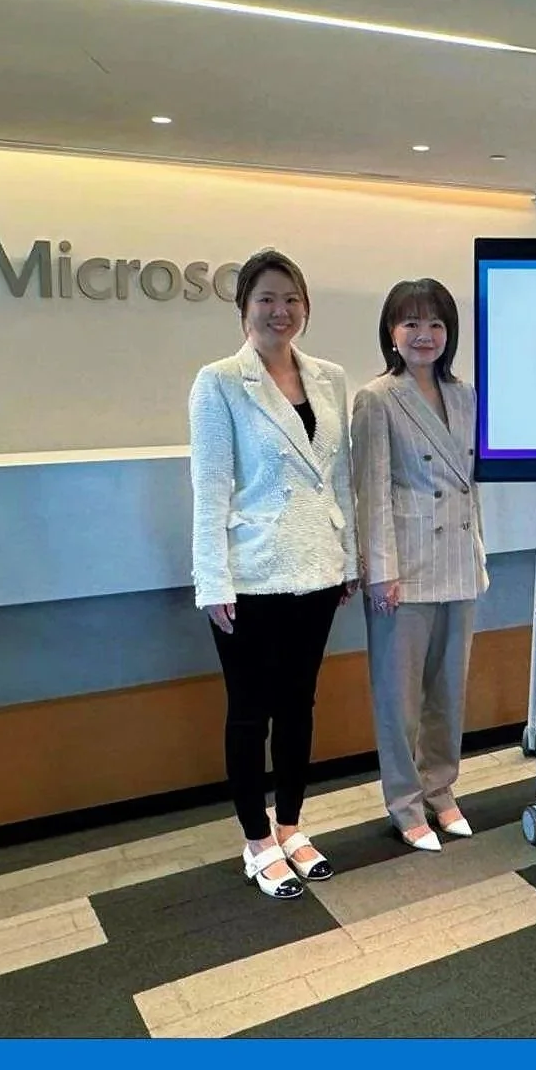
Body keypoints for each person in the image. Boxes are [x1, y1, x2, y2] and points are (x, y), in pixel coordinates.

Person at [188, 249, 359, 900]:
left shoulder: (328, 377)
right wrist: (213, 582)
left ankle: (290, 825)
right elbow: (209, 489)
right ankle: (255, 840)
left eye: (290, 298)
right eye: (265, 298)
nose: (279, 310)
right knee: (249, 712)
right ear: (244, 308)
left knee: (298, 706)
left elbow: (338, 477)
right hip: (250, 575)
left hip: (317, 568)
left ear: (305, 306)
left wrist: (348, 557)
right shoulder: (220, 381)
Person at [351, 278, 487, 852]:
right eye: (411, 323)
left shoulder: (468, 395)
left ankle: (442, 790)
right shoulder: (377, 397)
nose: (424, 335)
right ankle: (405, 803)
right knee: (399, 697)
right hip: (404, 568)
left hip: (459, 561)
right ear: (391, 333)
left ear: (449, 332)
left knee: (448, 692)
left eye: (435, 323)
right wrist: (379, 570)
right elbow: (370, 491)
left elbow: (472, 485)